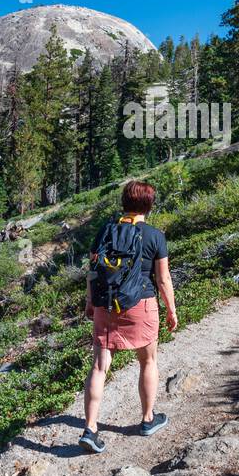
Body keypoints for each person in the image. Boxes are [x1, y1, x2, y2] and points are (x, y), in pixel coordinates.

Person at [80, 180, 178, 454]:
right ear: (149, 205)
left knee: (99, 367)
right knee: (148, 361)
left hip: (106, 305)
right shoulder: (154, 236)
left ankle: (90, 428)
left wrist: (90, 302)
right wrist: (171, 309)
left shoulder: (104, 232)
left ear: (124, 202)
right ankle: (147, 419)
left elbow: (92, 272)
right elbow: (163, 279)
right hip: (141, 305)